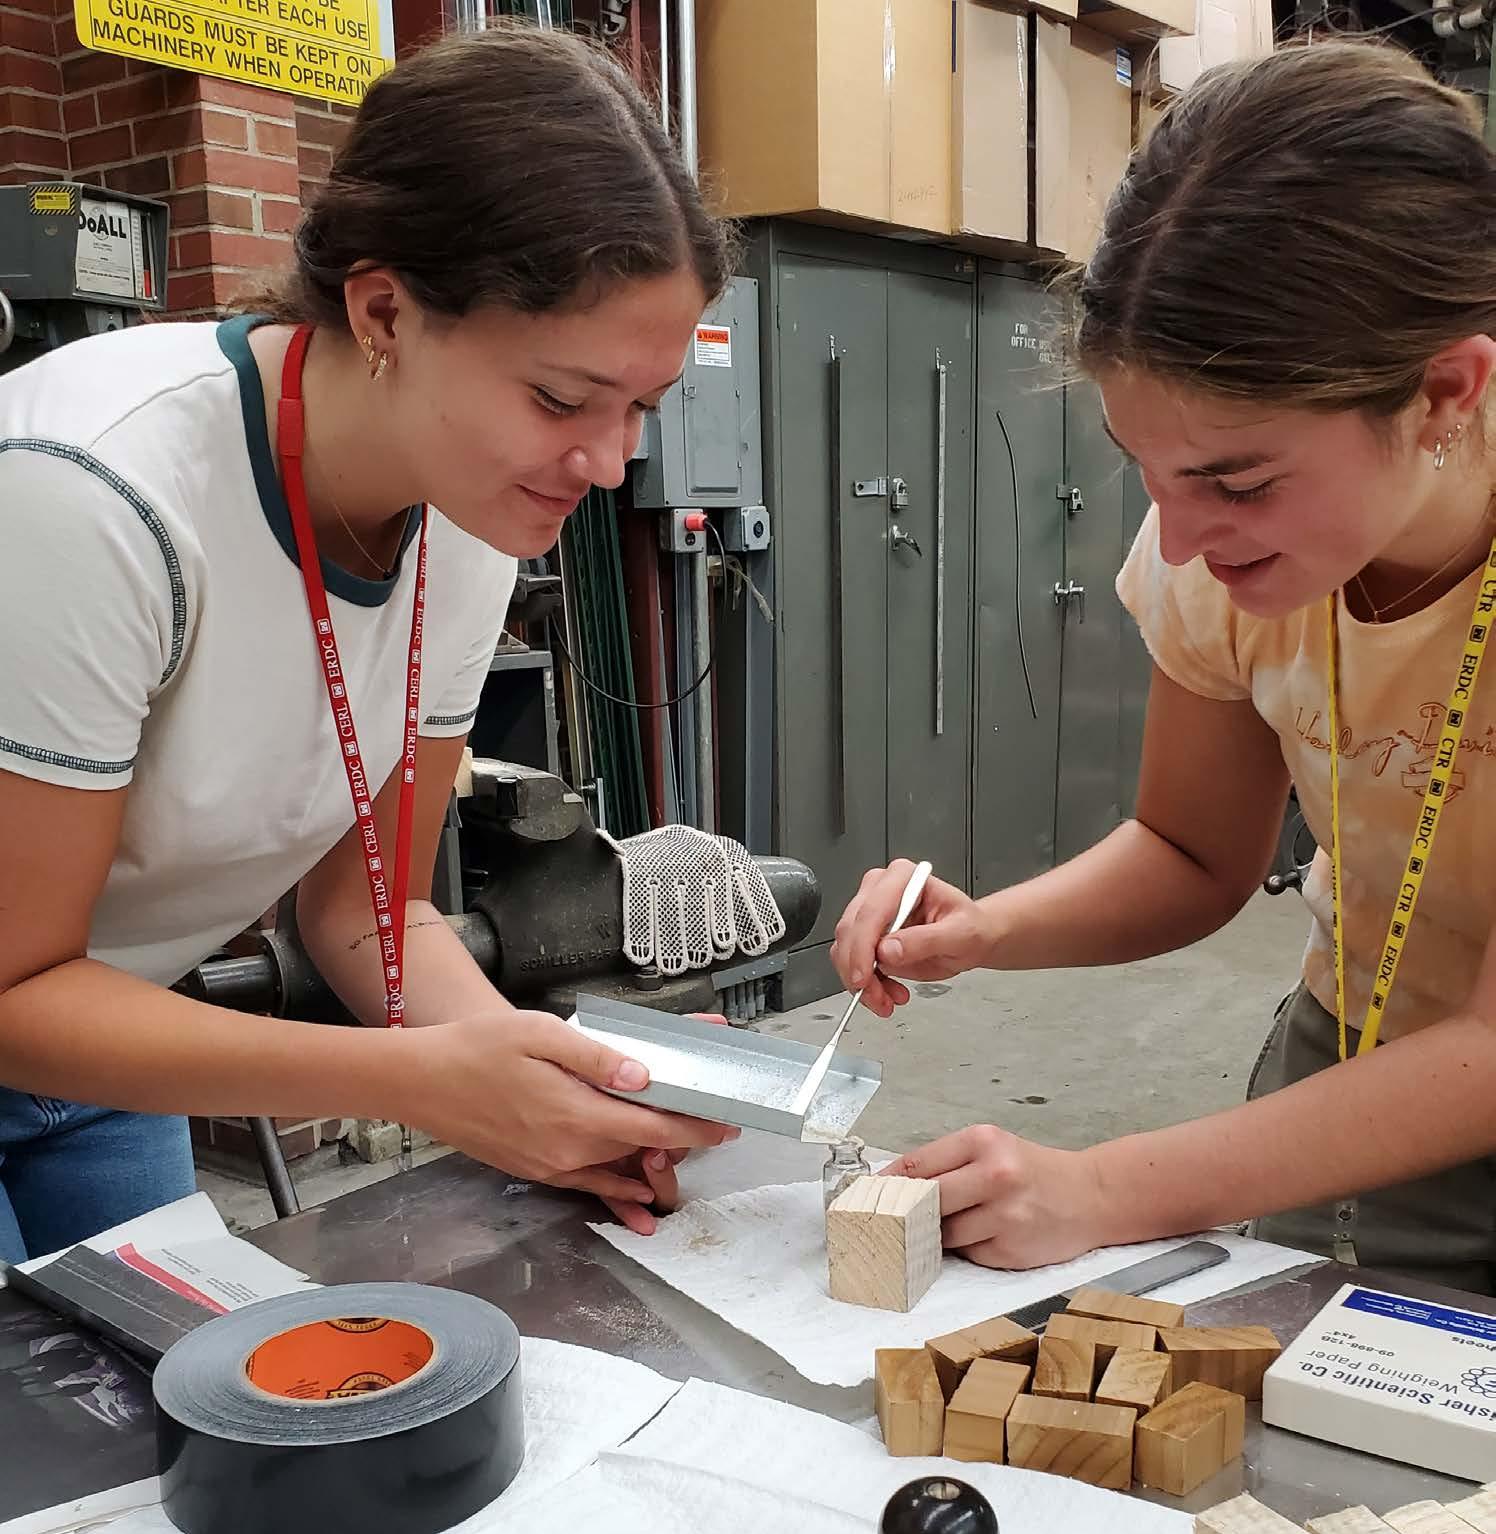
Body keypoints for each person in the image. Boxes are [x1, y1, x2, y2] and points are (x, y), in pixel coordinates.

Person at [0, 24, 740, 1265]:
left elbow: (365, 909)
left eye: (640, 409)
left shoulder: (468, 519)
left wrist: (548, 1081)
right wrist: (425, 1080)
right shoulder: (93, 496)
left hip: (103, 1039)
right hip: (34, 1005)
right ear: (383, 308)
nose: (608, 463)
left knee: (170, 1364)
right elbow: (13, 987)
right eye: (561, 398)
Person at [833, 39, 1496, 1293]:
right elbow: (1191, 850)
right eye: (1146, 469)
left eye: (1236, 481)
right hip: (1352, 1054)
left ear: (1441, 392)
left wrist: (1103, 1186)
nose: (1180, 539)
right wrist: (988, 929)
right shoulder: (1217, 550)